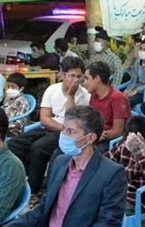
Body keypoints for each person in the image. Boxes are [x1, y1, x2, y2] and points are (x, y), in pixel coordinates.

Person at [9, 57, 90, 199]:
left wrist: (71, 95)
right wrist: (60, 126)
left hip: (68, 133)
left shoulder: (83, 95)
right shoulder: (52, 89)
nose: (75, 80)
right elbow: (45, 117)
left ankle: (33, 190)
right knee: (14, 144)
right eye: (71, 76)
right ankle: (21, 179)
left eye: (78, 76)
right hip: (52, 126)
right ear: (63, 75)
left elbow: (71, 120)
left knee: (39, 147)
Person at [106, 115, 145, 211]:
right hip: (118, 190)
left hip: (138, 197)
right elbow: (106, 160)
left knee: (103, 209)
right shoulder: (124, 143)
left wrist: (140, 155)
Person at [84, 60, 131, 146]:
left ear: (97, 79)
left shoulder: (117, 99)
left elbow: (117, 132)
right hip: (94, 137)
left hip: (109, 142)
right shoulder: (94, 95)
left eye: (87, 78)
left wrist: (97, 136)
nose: (84, 83)